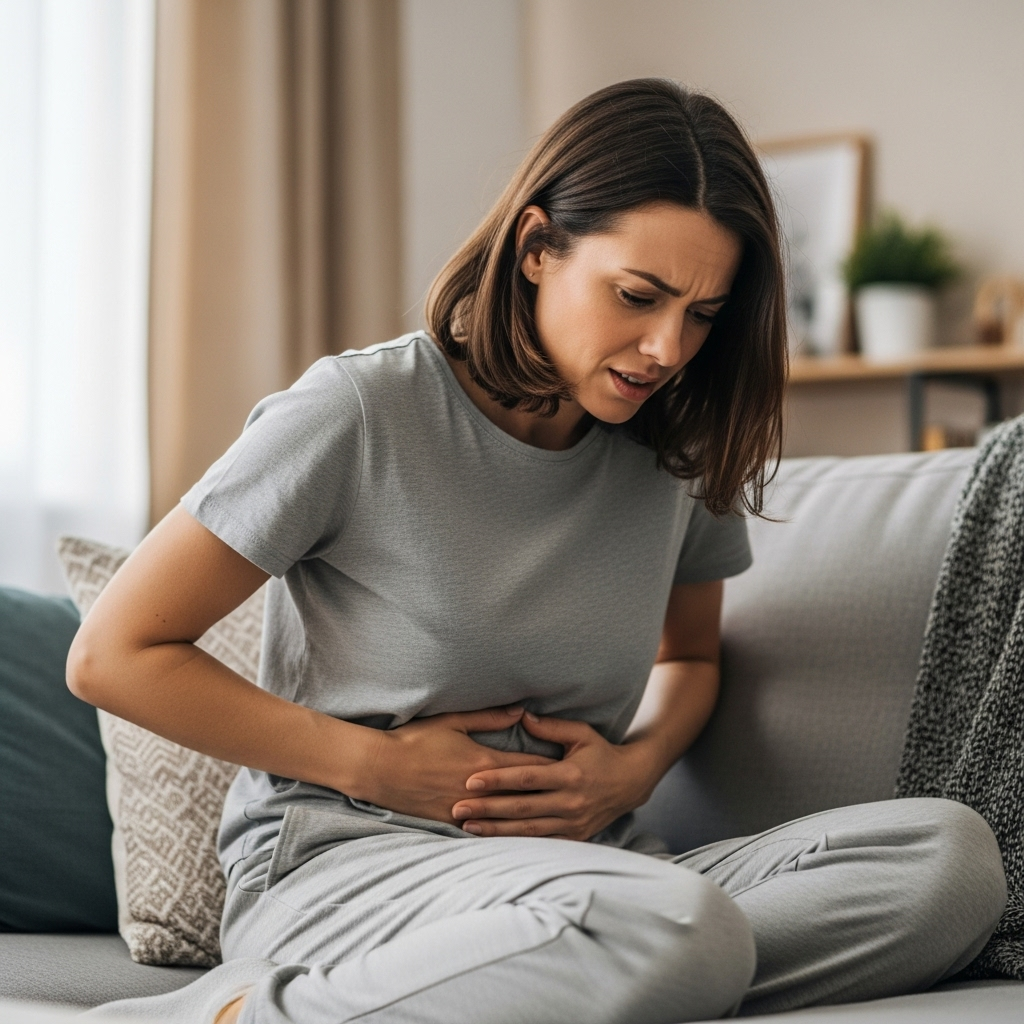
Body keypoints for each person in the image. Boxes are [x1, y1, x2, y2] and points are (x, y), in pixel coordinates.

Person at [70, 79, 1005, 1024]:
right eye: (637, 296)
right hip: (354, 863)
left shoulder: (673, 448)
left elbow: (690, 656)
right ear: (535, 249)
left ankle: (610, 974)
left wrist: (632, 769)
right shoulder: (360, 412)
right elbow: (114, 655)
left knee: (953, 862)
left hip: (601, 869)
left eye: (704, 313)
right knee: (677, 924)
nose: (666, 347)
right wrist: (371, 765)